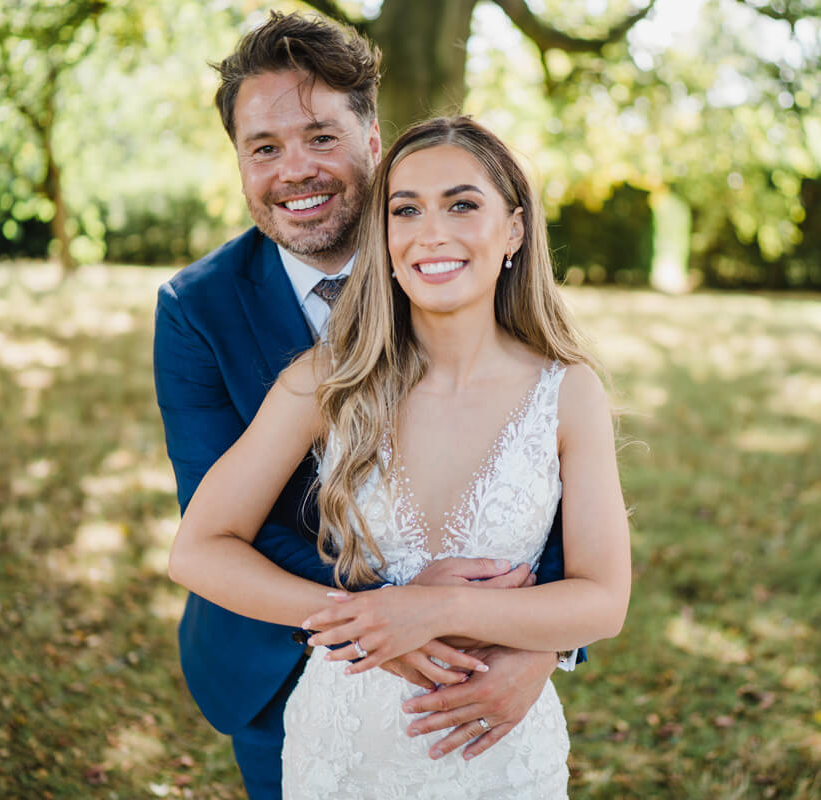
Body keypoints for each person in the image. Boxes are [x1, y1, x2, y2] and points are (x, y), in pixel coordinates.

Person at [153, 13, 585, 800]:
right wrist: (390, 615)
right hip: (279, 664)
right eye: (264, 148)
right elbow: (216, 523)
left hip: (483, 667)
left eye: (321, 137)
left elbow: (542, 480)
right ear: (239, 160)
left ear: (373, 140)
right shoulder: (197, 309)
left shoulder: (464, 277)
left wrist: (540, 645)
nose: (295, 170)